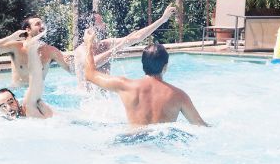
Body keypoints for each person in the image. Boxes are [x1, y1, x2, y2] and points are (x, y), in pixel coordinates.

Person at [80, 26, 209, 128]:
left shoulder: (125, 86)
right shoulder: (179, 95)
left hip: (132, 140)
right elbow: (200, 125)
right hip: (163, 145)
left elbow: (89, 74)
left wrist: (88, 44)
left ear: (142, 64)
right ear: (165, 67)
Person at [71, 5, 175, 85]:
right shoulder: (80, 51)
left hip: (104, 102)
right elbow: (93, 63)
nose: (104, 25)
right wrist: (119, 46)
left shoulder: (105, 44)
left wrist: (162, 20)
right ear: (90, 28)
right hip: (86, 103)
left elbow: (137, 37)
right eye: (101, 22)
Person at [0, 17, 72, 90]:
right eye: (38, 24)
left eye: (42, 23)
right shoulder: (16, 47)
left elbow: (71, 71)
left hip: (38, 93)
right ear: (28, 30)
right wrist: (10, 37)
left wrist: (72, 62)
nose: (42, 26)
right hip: (18, 92)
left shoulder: (50, 50)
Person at [0, 27, 54, 118]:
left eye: (11, 102)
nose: (9, 109)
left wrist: (32, 52)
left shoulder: (28, 108)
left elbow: (35, 79)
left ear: (16, 101)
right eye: (2, 106)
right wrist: (11, 37)